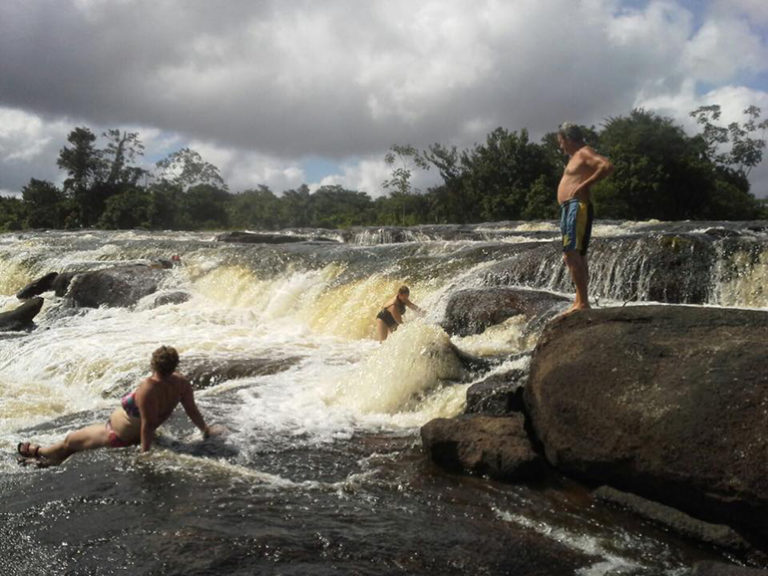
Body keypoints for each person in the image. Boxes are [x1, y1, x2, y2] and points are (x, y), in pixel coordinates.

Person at [17, 345, 217, 467]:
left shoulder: (149, 388)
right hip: (126, 433)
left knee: (70, 441)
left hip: (117, 436)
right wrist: (205, 430)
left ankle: (41, 453)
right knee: (75, 444)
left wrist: (145, 455)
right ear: (175, 365)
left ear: (153, 365)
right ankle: (51, 460)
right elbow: (191, 409)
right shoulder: (181, 382)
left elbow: (147, 424)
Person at [556, 122, 613, 314]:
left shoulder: (583, 152)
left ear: (568, 139)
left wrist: (584, 185)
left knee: (572, 253)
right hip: (569, 207)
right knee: (575, 254)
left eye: (561, 141)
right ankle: (580, 299)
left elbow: (606, 165)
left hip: (576, 207)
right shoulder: (575, 156)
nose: (560, 146)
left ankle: (583, 302)